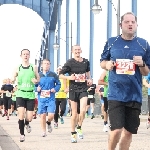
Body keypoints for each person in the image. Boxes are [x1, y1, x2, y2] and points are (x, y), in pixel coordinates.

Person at [100, 12, 150, 150]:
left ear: (136, 25)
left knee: (128, 132)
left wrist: (142, 64)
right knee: (116, 130)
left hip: (134, 94)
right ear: (120, 25)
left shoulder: (143, 44)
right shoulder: (112, 42)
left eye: (133, 22)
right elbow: (102, 62)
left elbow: (146, 72)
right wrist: (107, 65)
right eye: (127, 22)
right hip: (116, 94)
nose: (130, 24)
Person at [59, 45, 92, 143]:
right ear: (72, 51)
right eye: (75, 50)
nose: (77, 51)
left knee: (82, 111)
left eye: (79, 49)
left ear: (81, 50)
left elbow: (88, 74)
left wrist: (89, 79)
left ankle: (79, 126)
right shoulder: (69, 62)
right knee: (74, 114)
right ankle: (73, 134)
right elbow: (60, 75)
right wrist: (69, 78)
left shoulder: (86, 62)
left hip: (83, 89)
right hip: (73, 89)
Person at [11, 49, 40, 142]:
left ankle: (27, 123)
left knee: (29, 117)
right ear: (21, 56)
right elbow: (13, 77)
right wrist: (12, 80)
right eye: (24, 54)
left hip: (30, 94)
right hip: (20, 93)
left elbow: (38, 78)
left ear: (29, 56)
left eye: (27, 54)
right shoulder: (17, 67)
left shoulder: (33, 67)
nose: (26, 56)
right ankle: (22, 134)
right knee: (21, 114)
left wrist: (36, 81)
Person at [36, 59, 61, 137]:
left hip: (51, 98)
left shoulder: (53, 75)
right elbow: (34, 85)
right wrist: (36, 89)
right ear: (42, 65)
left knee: (51, 115)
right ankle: (43, 131)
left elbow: (58, 84)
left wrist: (55, 89)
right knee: (42, 115)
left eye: (48, 63)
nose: (46, 65)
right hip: (41, 99)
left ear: (50, 65)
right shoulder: (38, 75)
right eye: (45, 63)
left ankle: (49, 122)